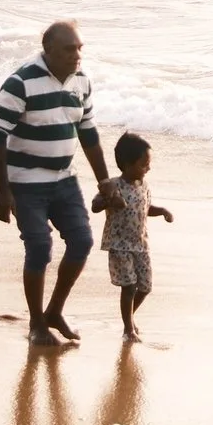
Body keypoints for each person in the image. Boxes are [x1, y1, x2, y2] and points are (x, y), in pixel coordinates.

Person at [0, 21, 111, 347]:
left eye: (80, 48)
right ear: (49, 50)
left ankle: (54, 311)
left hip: (65, 181)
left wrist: (105, 182)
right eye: (70, 49)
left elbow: (88, 134)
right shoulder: (20, 84)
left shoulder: (82, 82)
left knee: (82, 242)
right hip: (25, 183)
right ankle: (36, 324)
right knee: (40, 248)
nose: (78, 55)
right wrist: (2, 191)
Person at [92, 132, 174, 340]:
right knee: (128, 286)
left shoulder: (144, 186)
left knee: (145, 286)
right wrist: (109, 201)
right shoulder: (113, 185)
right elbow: (95, 206)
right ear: (127, 164)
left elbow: (145, 208)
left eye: (148, 164)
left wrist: (162, 210)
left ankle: (128, 318)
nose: (148, 168)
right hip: (120, 244)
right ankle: (128, 328)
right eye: (143, 164)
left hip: (141, 244)